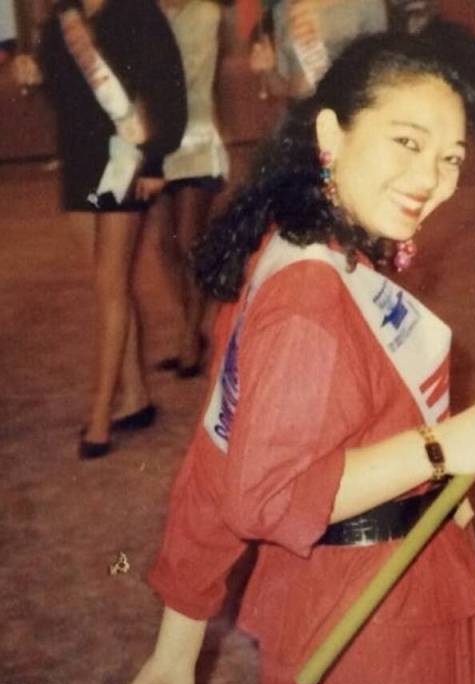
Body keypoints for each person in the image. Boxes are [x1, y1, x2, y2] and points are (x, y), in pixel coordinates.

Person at [108, 33, 475, 684]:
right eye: (406, 142)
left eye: (451, 159)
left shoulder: (296, 247)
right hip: (373, 639)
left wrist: (175, 649)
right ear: (330, 133)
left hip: (372, 605)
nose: (431, 178)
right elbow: (266, 494)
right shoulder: (309, 297)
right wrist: (442, 448)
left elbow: (218, 454)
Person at [25, 0, 186, 458]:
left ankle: (99, 417)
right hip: (78, 163)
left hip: (123, 161)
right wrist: (32, 71)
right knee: (106, 284)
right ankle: (135, 397)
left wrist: (155, 158)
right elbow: (58, 93)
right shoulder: (62, 19)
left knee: (111, 285)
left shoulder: (136, 12)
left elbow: (166, 88)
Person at [149, 0, 230, 378]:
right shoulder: (148, 13)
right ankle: (190, 329)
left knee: (189, 242)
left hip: (196, 138)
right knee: (164, 242)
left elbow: (190, 75)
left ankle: (189, 338)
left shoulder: (205, 13)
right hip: (157, 141)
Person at [248, 0, 387, 100]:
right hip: (302, 117)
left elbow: (381, 72)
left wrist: (324, 40)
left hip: (346, 112)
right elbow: (281, 88)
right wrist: (269, 69)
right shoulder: (282, 10)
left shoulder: (367, 3)